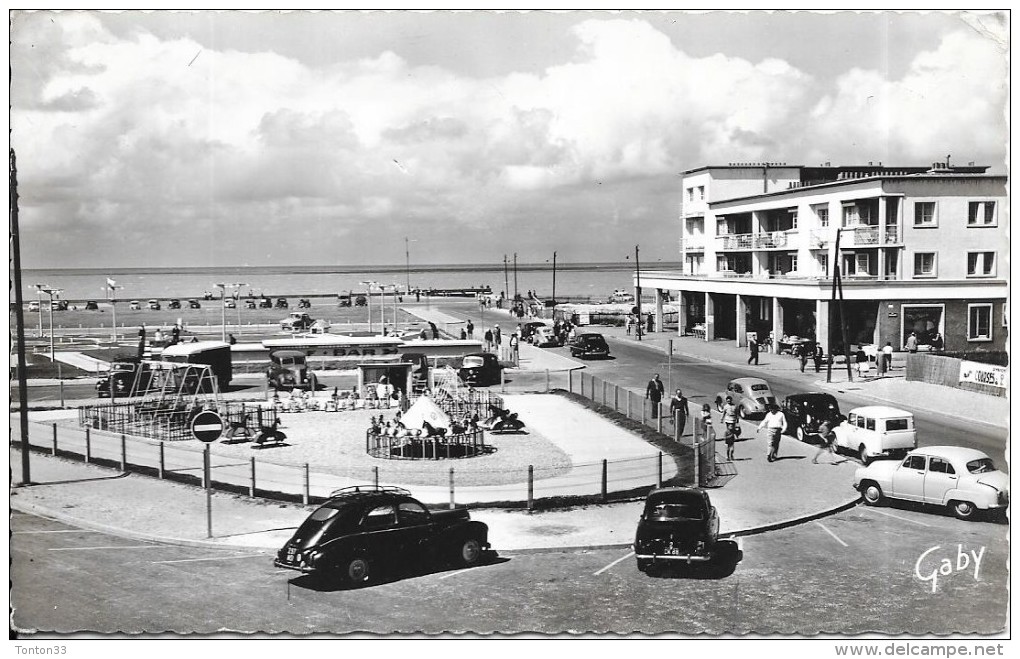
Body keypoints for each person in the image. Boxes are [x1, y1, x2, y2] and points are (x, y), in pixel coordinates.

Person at [721, 396, 739, 461]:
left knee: (733, 429)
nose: (729, 402)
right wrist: (722, 418)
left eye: (730, 400)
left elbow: (737, 413)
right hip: (728, 419)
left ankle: (733, 437)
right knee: (728, 430)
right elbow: (723, 413)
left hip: (733, 419)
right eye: (727, 401)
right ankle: (728, 437)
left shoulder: (735, 406)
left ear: (731, 400)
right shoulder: (725, 406)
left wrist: (737, 419)